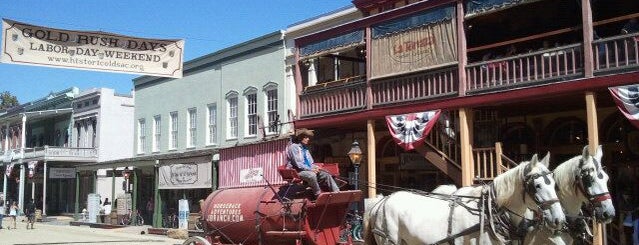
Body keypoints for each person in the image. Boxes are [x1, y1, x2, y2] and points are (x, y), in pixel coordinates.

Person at [286, 128, 340, 199]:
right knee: (311, 175)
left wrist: (316, 167)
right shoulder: (293, 147)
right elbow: (298, 164)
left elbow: (311, 162)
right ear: (300, 138)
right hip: (297, 171)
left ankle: (337, 192)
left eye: (308, 137)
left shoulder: (305, 149)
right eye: (306, 137)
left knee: (326, 174)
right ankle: (318, 194)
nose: (308, 139)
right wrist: (311, 169)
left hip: (307, 169)